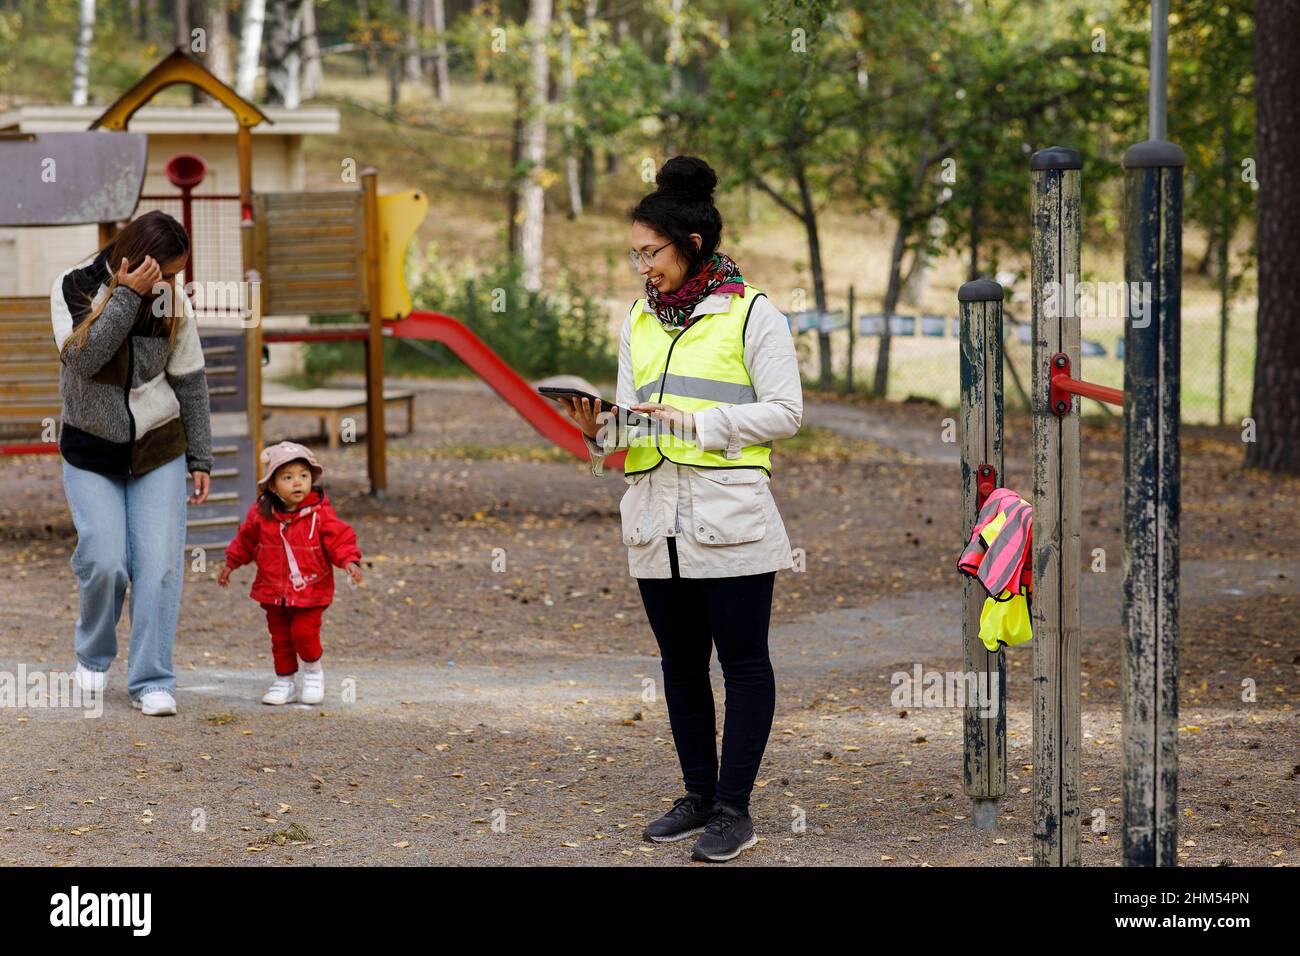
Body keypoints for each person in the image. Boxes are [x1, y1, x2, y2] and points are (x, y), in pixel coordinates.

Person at [558, 155, 803, 862]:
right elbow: (636, 416)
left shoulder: (754, 312)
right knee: (681, 666)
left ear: (691, 244)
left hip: (729, 520)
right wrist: (599, 428)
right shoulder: (638, 315)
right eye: (634, 254)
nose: (642, 267)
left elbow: (786, 413)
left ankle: (735, 809)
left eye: (651, 252)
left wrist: (697, 423)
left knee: (745, 665)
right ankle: (697, 797)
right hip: (655, 520)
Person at [51, 210, 213, 717]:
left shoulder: (173, 302)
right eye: (164, 272)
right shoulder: (72, 287)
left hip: (157, 446)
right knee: (103, 561)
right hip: (90, 448)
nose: (169, 283)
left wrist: (200, 455)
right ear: (138, 257)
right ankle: (95, 656)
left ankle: (151, 679)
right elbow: (84, 358)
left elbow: (190, 380)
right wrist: (126, 296)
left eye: (175, 274)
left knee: (161, 565)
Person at [217, 441, 363, 705]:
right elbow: (246, 540)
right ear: (273, 485)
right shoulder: (262, 514)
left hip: (311, 589)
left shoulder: (320, 514)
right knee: (281, 638)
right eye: (288, 477)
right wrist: (231, 563)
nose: (298, 483)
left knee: (303, 633)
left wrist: (349, 561)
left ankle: (313, 672)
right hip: (273, 589)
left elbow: (339, 540)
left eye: (303, 476)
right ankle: (284, 681)